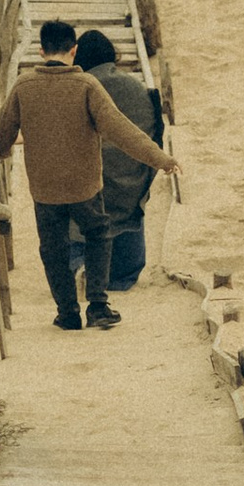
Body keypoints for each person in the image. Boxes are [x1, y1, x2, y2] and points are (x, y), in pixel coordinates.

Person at [0, 17, 178, 330]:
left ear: (41, 50)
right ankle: (98, 305)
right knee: (98, 233)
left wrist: (1, 148)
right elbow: (121, 131)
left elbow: (0, 135)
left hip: (45, 188)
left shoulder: (23, 86)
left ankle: (67, 313)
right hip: (84, 186)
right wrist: (161, 159)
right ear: (73, 50)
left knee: (53, 248)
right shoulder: (87, 85)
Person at [72, 27, 165, 294]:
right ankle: (119, 277)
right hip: (129, 190)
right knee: (126, 268)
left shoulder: (78, 90)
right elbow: (154, 136)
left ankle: (80, 264)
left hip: (88, 194)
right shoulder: (137, 89)